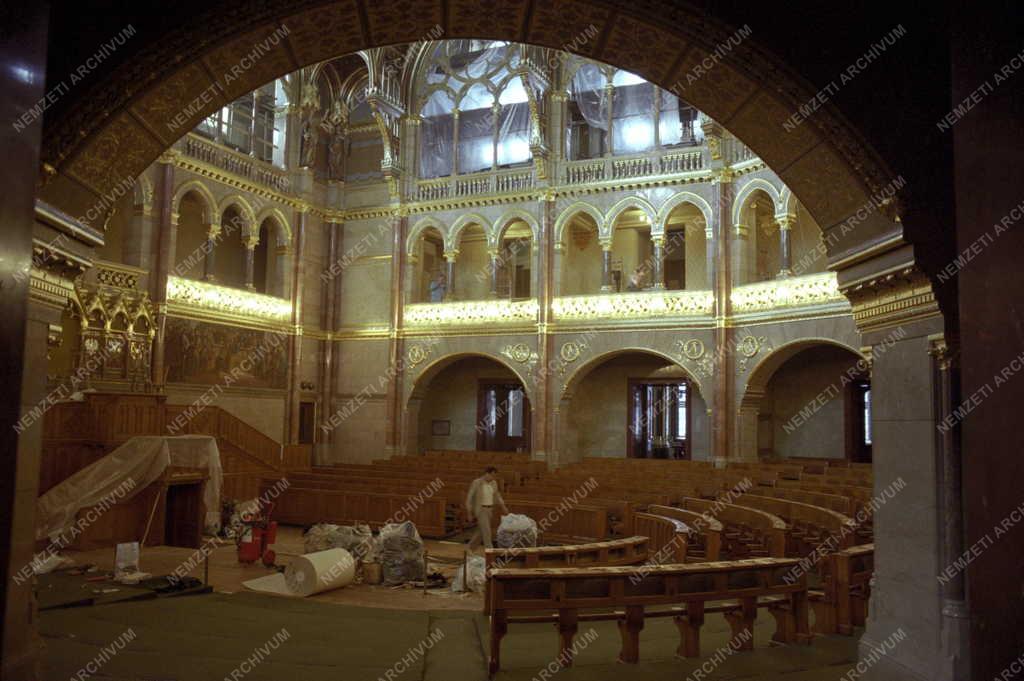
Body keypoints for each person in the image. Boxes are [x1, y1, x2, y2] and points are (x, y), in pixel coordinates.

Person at [465, 466, 509, 550]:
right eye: (492, 475)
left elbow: (497, 495)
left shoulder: (494, 483)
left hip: (490, 510)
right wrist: (469, 513)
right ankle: (490, 553)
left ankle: (469, 549)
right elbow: (469, 498)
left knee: (481, 531)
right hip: (481, 510)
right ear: (487, 474)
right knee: (487, 532)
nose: (494, 478)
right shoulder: (476, 483)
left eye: (495, 476)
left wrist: (503, 506)